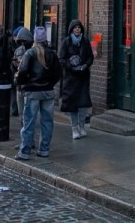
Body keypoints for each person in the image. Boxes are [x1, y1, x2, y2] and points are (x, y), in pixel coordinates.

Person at [15, 26, 61, 160]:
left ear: (34, 39)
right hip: (48, 92)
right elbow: (58, 73)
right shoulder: (51, 54)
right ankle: (44, 149)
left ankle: (25, 151)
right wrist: (50, 84)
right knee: (47, 122)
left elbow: (22, 71)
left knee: (28, 122)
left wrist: (22, 83)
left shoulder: (30, 53)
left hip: (32, 92)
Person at [59, 19, 94, 140]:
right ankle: (74, 129)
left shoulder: (85, 41)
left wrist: (85, 65)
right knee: (72, 105)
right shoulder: (66, 42)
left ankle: (82, 126)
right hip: (71, 78)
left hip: (83, 77)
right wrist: (72, 67)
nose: (77, 29)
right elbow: (62, 59)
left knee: (83, 104)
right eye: (75, 27)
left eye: (79, 27)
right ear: (71, 29)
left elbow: (90, 57)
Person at [11, 27, 33, 118]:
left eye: (25, 41)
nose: (23, 43)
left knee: (29, 110)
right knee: (21, 111)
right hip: (20, 84)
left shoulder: (34, 51)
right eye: (21, 41)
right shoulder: (18, 50)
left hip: (30, 85)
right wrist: (14, 66)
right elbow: (13, 65)